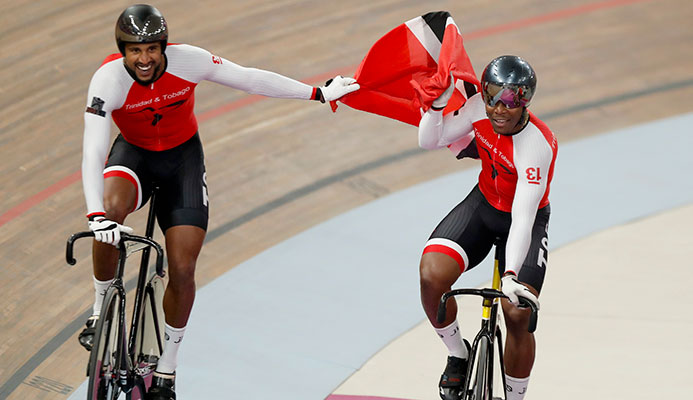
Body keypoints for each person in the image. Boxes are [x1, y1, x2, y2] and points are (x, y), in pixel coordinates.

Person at [79, 4, 359, 399]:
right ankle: (99, 308)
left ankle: (167, 371)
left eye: (152, 50)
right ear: (122, 50)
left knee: (182, 266)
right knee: (109, 213)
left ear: (164, 46)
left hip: (182, 163)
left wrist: (316, 93)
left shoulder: (188, 60)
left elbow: (248, 79)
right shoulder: (107, 80)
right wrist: (95, 216)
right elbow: (93, 150)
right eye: (135, 51)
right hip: (135, 156)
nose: (144, 59)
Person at [417, 55, 557, 400]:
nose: (498, 108)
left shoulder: (536, 145)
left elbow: (523, 217)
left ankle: (515, 396)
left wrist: (510, 275)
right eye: (492, 95)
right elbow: (429, 140)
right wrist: (436, 106)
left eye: (511, 101)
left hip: (523, 220)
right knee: (431, 275)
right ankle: (457, 355)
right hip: (483, 206)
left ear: (525, 101)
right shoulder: (478, 107)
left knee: (517, 312)